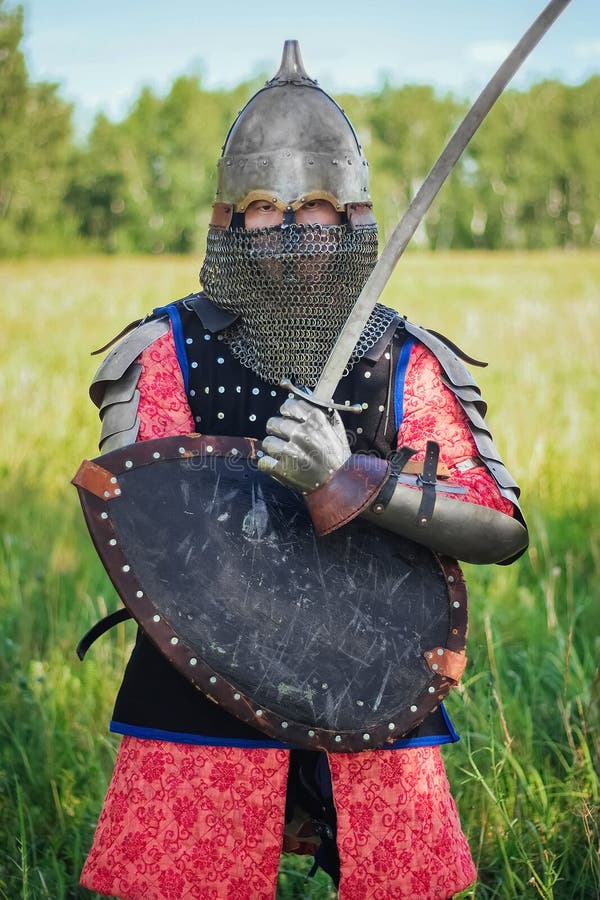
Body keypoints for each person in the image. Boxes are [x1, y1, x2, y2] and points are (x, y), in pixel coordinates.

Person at [79, 41, 528, 900]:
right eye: (263, 207)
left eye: (316, 206)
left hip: (371, 661)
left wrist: (351, 477)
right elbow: (135, 515)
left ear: (354, 214)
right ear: (228, 220)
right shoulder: (165, 352)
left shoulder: (402, 358)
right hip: (200, 673)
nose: (290, 229)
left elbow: (499, 526)